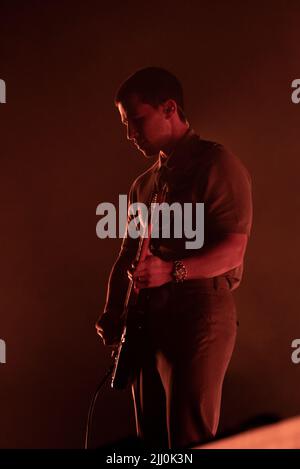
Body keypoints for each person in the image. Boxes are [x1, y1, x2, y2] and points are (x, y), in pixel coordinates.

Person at [95, 67, 253, 449]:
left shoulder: (216, 164)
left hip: (198, 312)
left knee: (188, 440)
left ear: (169, 108)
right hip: (149, 319)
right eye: (125, 123)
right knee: (150, 443)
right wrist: (113, 310)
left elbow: (234, 248)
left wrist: (171, 271)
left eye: (136, 120)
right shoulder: (143, 185)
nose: (130, 134)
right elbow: (126, 255)